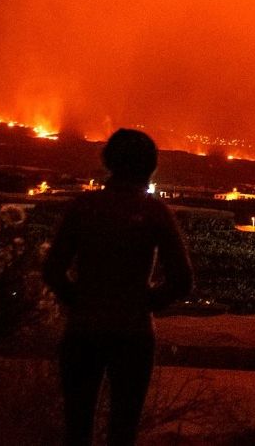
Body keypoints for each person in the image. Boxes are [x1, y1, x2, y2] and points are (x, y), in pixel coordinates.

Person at [44, 128, 193, 446]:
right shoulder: (154, 211)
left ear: (109, 162)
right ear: (150, 166)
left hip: (83, 330)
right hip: (133, 334)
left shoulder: (84, 207)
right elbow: (182, 280)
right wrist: (142, 304)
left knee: (77, 426)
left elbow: (53, 270)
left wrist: (81, 300)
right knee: (124, 428)